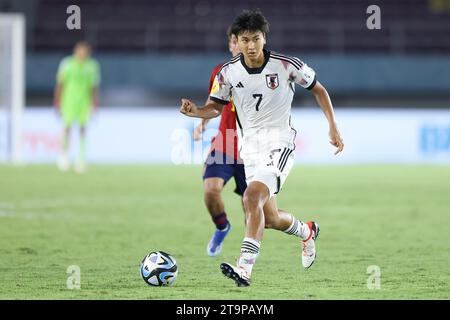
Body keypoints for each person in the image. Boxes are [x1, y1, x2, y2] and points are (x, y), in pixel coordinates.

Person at [180, 9, 344, 286]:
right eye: (245, 40)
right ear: (238, 41)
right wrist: (195, 111)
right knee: (268, 218)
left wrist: (333, 126)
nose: (251, 46)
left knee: (251, 197)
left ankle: (244, 268)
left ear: (264, 38)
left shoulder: (286, 65)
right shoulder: (227, 72)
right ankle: (307, 232)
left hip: (280, 143)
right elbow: (215, 108)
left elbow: (319, 89)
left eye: (256, 39)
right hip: (250, 148)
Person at [192, 29, 247, 257]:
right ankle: (222, 226)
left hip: (252, 149)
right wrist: (202, 123)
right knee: (210, 190)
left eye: (243, 41)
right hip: (224, 143)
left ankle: (248, 247)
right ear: (231, 46)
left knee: (252, 204)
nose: (239, 46)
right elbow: (214, 101)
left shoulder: (263, 74)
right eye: (235, 42)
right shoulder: (221, 72)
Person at [54, 41, 100, 173]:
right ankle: (63, 155)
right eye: (80, 51)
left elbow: (94, 86)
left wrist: (95, 104)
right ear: (75, 51)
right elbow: (60, 84)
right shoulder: (67, 64)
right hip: (68, 101)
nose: (82, 54)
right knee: (67, 128)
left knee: (83, 129)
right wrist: (57, 102)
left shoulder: (92, 66)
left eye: (85, 52)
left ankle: (81, 159)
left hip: (84, 102)